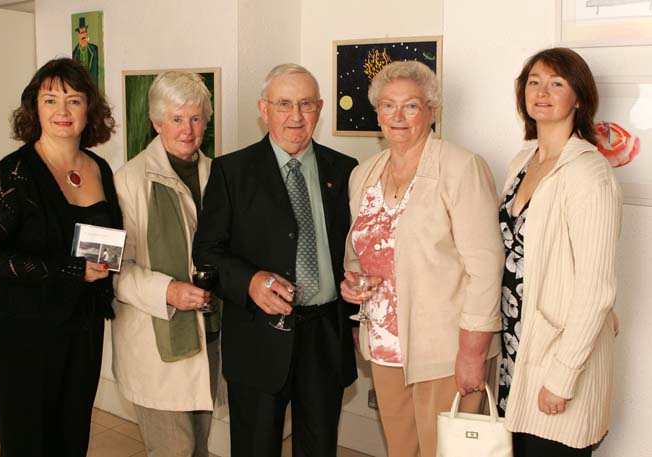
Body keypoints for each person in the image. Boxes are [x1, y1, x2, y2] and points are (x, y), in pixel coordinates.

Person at [192, 63, 358, 457]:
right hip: (257, 337)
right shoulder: (231, 171)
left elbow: (355, 249)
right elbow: (207, 251)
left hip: (324, 338)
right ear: (264, 110)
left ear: (319, 109)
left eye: (305, 104)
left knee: (319, 448)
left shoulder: (346, 170)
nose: (296, 116)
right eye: (284, 104)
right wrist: (250, 282)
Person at [340, 60, 504, 457]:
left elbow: (485, 267)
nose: (398, 116)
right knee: (402, 451)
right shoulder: (364, 173)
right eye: (388, 105)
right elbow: (358, 254)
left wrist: (472, 353)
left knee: (446, 453)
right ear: (377, 111)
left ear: (432, 111)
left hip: (446, 351)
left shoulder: (461, 168)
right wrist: (351, 284)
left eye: (411, 106)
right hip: (384, 346)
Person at [0, 57, 120, 457]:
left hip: (82, 330)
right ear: (34, 108)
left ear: (90, 109)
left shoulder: (99, 168)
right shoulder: (12, 173)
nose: (62, 111)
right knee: (29, 445)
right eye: (50, 100)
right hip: (23, 333)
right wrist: (69, 270)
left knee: (72, 439)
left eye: (73, 100)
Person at [498, 47, 622, 456]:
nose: (542, 92)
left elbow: (596, 290)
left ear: (579, 97)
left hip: (557, 358)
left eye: (556, 83)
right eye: (534, 82)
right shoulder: (522, 162)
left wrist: (563, 376)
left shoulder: (589, 173)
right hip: (516, 348)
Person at [112, 71, 220, 457]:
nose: (188, 130)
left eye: (195, 118)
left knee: (199, 447)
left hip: (208, 335)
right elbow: (115, 273)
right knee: (174, 450)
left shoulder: (218, 174)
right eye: (176, 119)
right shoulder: (128, 181)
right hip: (155, 343)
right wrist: (169, 290)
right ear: (157, 122)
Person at [72, 16, 99, 86]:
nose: (83, 35)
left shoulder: (94, 49)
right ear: (78, 34)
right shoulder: (75, 53)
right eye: (81, 33)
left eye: (84, 32)